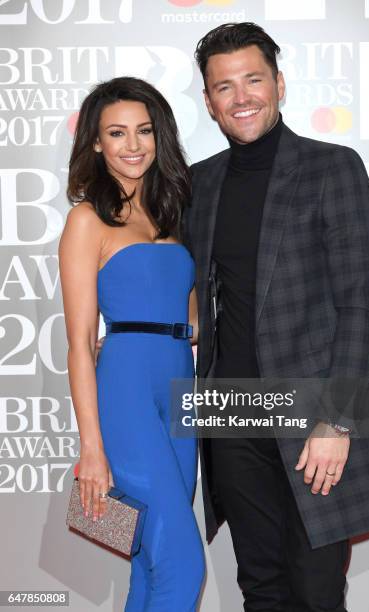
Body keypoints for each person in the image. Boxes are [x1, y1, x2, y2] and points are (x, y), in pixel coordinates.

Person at [181, 22, 369, 612]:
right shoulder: (199, 184)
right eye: (224, 87)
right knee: (261, 587)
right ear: (208, 101)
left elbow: (361, 304)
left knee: (316, 589)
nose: (242, 96)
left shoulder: (333, 167)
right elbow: (197, 299)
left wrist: (337, 421)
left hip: (314, 416)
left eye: (253, 79)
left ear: (278, 83)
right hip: (230, 413)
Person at [59, 76, 205, 611]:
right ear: (96, 143)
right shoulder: (85, 219)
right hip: (124, 383)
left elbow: (189, 319)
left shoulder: (173, 214)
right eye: (117, 133)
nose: (134, 145)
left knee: (150, 560)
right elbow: (79, 342)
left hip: (181, 388)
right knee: (181, 564)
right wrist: (91, 450)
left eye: (144, 131)